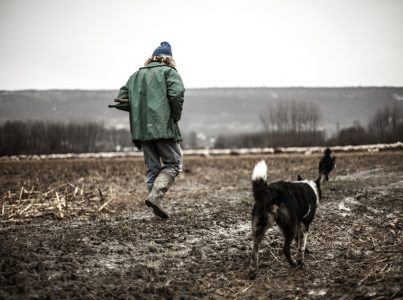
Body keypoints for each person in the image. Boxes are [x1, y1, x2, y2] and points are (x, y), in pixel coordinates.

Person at [114, 41, 185, 219]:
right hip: (162, 127)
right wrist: (175, 117)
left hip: (142, 130)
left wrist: (138, 107)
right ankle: (155, 197)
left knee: (153, 168)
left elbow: (121, 100)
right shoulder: (169, 72)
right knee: (173, 164)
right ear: (168, 59)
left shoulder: (135, 76)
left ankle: (155, 204)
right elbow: (177, 94)